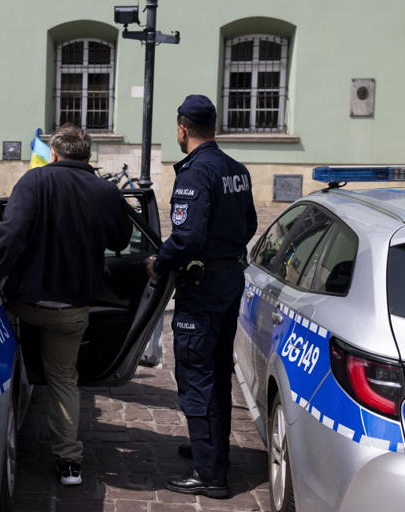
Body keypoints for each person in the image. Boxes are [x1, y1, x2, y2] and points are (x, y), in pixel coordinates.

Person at [0, 123, 132, 487]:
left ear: (54, 153)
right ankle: (69, 463)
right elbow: (121, 239)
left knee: (5, 358)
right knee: (64, 378)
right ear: (88, 155)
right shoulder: (105, 190)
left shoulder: (33, 182)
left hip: (23, 303)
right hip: (72, 307)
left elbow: (11, 233)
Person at [147, 95, 257, 499]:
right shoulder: (236, 169)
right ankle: (212, 449)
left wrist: (160, 262)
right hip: (228, 279)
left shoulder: (196, 173)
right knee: (216, 370)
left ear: (182, 128)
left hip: (202, 286)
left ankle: (209, 473)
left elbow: (187, 238)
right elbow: (250, 223)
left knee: (196, 374)